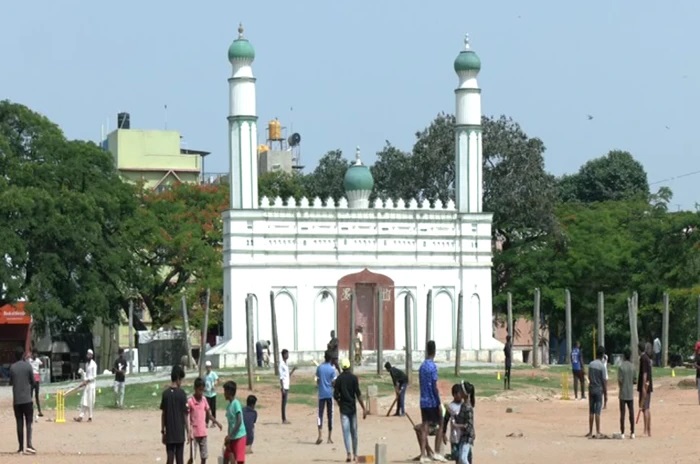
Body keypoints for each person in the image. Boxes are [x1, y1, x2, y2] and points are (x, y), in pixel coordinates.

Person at [333, 358, 367, 463]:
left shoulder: (338, 379)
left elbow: (335, 395)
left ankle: (348, 453)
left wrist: (339, 403)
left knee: (346, 433)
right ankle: (356, 455)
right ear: (349, 367)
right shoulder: (353, 378)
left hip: (344, 410)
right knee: (354, 433)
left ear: (342, 368)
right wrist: (364, 408)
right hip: (352, 409)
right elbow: (358, 394)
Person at [418, 340, 444, 463]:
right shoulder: (433, 367)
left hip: (423, 400)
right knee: (440, 424)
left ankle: (423, 454)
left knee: (425, 427)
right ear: (434, 351)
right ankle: (437, 452)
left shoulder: (422, 366)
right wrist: (438, 402)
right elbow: (434, 386)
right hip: (432, 401)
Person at [188, 377, 222, 464]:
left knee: (204, 456)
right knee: (193, 458)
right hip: (194, 434)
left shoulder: (204, 400)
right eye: (199, 390)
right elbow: (186, 416)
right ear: (195, 388)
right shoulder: (190, 401)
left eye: (202, 390)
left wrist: (217, 422)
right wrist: (188, 431)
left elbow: (208, 414)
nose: (201, 392)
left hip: (203, 433)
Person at [161, 365, 190, 464]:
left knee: (169, 458)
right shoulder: (182, 394)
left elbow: (163, 414)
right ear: (178, 378)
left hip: (169, 432)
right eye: (181, 380)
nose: (181, 382)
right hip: (179, 432)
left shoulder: (165, 394)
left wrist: (163, 431)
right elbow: (185, 414)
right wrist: (188, 431)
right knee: (180, 459)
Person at [10, 346, 36, 455]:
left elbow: (11, 382)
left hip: (17, 400)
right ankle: (29, 445)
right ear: (23, 355)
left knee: (19, 423)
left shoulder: (12, 367)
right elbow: (33, 382)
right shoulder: (28, 366)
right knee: (29, 422)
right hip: (27, 399)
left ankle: (20, 447)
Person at [315, 350, 338, 444]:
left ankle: (320, 435)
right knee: (330, 416)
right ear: (331, 359)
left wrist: (320, 384)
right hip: (329, 394)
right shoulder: (332, 369)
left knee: (320, 415)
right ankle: (329, 437)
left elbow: (317, 380)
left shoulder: (319, 368)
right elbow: (334, 382)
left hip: (321, 394)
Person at [223, 381, 247, 464]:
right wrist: (229, 436)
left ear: (229, 392)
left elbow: (239, 421)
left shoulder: (236, 403)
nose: (224, 393)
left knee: (239, 460)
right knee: (226, 457)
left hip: (239, 436)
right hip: (232, 437)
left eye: (225, 391)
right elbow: (230, 424)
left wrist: (230, 435)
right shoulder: (229, 406)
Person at [586, 346, 607, 439]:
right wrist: (605, 394)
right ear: (602, 355)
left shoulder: (590, 364)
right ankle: (598, 431)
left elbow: (589, 377)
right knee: (597, 411)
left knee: (591, 411)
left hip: (591, 388)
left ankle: (590, 431)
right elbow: (603, 381)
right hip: (598, 390)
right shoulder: (602, 366)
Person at [453, 381, 476, 464]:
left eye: (461, 391)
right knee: (460, 458)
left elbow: (469, 426)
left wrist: (457, 425)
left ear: (465, 393)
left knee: (463, 458)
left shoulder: (468, 407)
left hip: (467, 437)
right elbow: (460, 418)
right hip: (463, 436)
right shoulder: (463, 405)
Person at [442, 384, 464, 461]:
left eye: (462, 393)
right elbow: (445, 420)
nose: (461, 396)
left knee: (464, 456)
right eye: (459, 394)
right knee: (456, 456)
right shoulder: (451, 407)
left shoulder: (464, 405)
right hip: (455, 436)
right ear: (454, 395)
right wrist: (443, 433)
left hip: (464, 435)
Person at [74, 349, 97, 422]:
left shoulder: (94, 364)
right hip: (87, 385)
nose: (88, 356)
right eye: (88, 354)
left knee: (90, 401)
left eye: (90, 354)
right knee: (84, 400)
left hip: (91, 385)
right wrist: (83, 374)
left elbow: (94, 376)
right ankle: (81, 416)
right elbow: (87, 375)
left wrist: (87, 381)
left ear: (92, 356)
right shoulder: (87, 364)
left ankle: (90, 417)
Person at [617, 348, 636, 439]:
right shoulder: (633, 367)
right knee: (631, 413)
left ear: (624, 356)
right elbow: (635, 380)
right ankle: (632, 432)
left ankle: (622, 432)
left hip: (623, 393)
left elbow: (620, 380)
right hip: (630, 393)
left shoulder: (621, 367)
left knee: (622, 414)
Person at [638, 342, 654, 437]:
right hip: (648, 385)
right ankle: (648, 430)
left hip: (645, 386)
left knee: (645, 409)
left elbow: (644, 374)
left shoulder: (643, 359)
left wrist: (643, 388)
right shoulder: (647, 358)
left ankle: (645, 430)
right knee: (647, 408)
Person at [279, 348, 296, 424]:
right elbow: (281, 377)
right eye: (287, 354)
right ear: (283, 355)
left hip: (287, 385)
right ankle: (283, 419)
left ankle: (284, 418)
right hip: (284, 386)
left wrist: (293, 370)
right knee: (284, 403)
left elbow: (287, 375)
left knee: (285, 403)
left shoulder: (286, 364)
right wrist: (282, 388)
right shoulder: (281, 364)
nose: (288, 355)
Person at [203, 360, 219, 427]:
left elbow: (217, 380)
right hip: (207, 394)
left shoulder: (213, 374)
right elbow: (203, 383)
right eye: (207, 367)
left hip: (213, 394)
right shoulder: (204, 375)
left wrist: (215, 385)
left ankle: (214, 422)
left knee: (213, 408)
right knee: (207, 409)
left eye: (209, 367)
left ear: (210, 367)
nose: (208, 368)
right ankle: (206, 422)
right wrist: (203, 388)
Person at [29, 350, 43, 417]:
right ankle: (30, 411)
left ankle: (39, 411)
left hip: (37, 378)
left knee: (37, 396)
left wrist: (39, 371)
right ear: (32, 354)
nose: (35, 355)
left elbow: (41, 363)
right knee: (30, 396)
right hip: (31, 378)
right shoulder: (29, 360)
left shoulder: (37, 360)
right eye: (34, 354)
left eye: (36, 354)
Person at [694, 341, 700, 406]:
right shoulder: (697, 356)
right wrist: (698, 367)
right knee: (699, 389)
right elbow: (695, 364)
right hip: (698, 374)